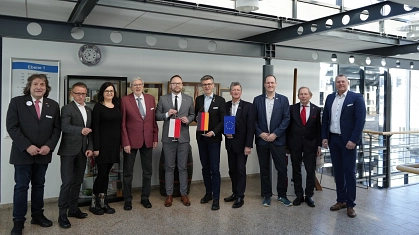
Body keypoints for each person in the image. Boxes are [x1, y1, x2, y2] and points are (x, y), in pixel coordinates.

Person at [6, 74, 61, 235]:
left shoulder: (53, 105)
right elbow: (12, 127)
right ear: (29, 86)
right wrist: (27, 146)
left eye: (42, 84)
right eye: (35, 84)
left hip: (43, 153)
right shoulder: (17, 102)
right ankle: (18, 221)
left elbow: (57, 129)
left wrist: (49, 146)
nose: (39, 87)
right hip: (22, 153)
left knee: (38, 186)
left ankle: (37, 215)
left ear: (46, 87)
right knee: (21, 187)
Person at [321, 74, 366, 218]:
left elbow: (360, 121)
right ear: (335, 84)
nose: (340, 84)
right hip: (334, 140)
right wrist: (324, 137)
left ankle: (350, 204)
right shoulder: (330, 98)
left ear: (348, 82)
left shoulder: (356, 98)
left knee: (349, 173)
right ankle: (340, 200)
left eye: (343, 81)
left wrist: (354, 139)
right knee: (338, 172)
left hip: (348, 142)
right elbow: (325, 120)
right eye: (338, 82)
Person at [57, 82, 93, 228]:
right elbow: (64, 127)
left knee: (77, 181)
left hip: (83, 151)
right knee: (67, 182)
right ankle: (61, 214)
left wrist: (90, 147)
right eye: (78, 93)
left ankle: (73, 209)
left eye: (83, 93)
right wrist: (80, 130)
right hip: (68, 150)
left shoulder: (89, 110)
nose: (81, 96)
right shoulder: (66, 108)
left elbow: (91, 132)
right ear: (72, 93)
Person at [156, 75, 195, 207]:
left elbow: (192, 114)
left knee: (183, 167)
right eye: (174, 83)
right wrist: (167, 114)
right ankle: (169, 195)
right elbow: (157, 115)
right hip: (168, 138)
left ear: (182, 85)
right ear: (170, 85)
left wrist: (188, 120)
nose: (176, 85)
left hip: (183, 138)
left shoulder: (189, 99)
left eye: (179, 83)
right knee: (169, 167)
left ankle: (184, 194)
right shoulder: (163, 98)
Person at [121, 77, 158, 210]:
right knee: (128, 172)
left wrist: (155, 137)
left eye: (140, 84)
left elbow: (153, 121)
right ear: (131, 87)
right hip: (130, 142)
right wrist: (125, 142)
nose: (138, 87)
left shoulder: (150, 99)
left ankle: (145, 198)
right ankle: (127, 199)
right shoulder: (125, 100)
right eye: (135, 85)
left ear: (143, 86)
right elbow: (123, 124)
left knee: (147, 171)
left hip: (147, 140)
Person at [253, 75, 291, 207]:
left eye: (272, 83)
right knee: (264, 169)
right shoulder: (257, 100)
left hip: (278, 140)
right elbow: (254, 120)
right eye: (268, 83)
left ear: (276, 84)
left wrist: (275, 134)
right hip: (262, 141)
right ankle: (267, 195)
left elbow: (286, 119)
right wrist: (260, 133)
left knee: (282, 169)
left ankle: (282, 195)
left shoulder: (283, 100)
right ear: (264, 84)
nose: (270, 85)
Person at [287, 87, 321, 207]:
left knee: (310, 171)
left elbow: (319, 129)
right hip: (295, 144)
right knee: (296, 170)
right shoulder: (291, 109)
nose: (303, 96)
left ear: (310, 96)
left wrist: (319, 146)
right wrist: (287, 145)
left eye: (305, 94)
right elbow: (288, 127)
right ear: (298, 96)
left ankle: (309, 195)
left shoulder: (316, 110)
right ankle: (299, 195)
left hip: (311, 145)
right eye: (301, 94)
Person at [90, 82, 122, 215]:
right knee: (101, 175)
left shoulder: (117, 106)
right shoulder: (98, 107)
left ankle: (103, 202)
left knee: (106, 174)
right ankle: (94, 203)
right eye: (107, 91)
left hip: (114, 145)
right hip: (101, 146)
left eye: (111, 91)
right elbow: (95, 128)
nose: (109, 93)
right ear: (102, 93)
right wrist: (96, 147)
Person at [195, 75, 226, 211]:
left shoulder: (220, 100)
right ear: (202, 86)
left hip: (214, 139)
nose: (207, 86)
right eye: (204, 84)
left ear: (213, 85)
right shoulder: (199, 99)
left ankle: (216, 198)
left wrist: (213, 132)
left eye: (209, 84)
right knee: (205, 167)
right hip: (201, 138)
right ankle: (208, 193)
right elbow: (198, 117)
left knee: (215, 169)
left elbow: (223, 120)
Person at [223, 82, 255, 208]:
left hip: (242, 145)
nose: (235, 92)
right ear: (230, 92)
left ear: (241, 92)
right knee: (232, 170)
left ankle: (241, 196)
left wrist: (248, 145)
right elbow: (223, 122)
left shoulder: (248, 106)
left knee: (241, 170)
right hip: (230, 143)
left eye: (238, 90)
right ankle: (235, 193)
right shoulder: (225, 106)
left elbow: (250, 127)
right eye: (233, 90)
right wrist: (225, 134)